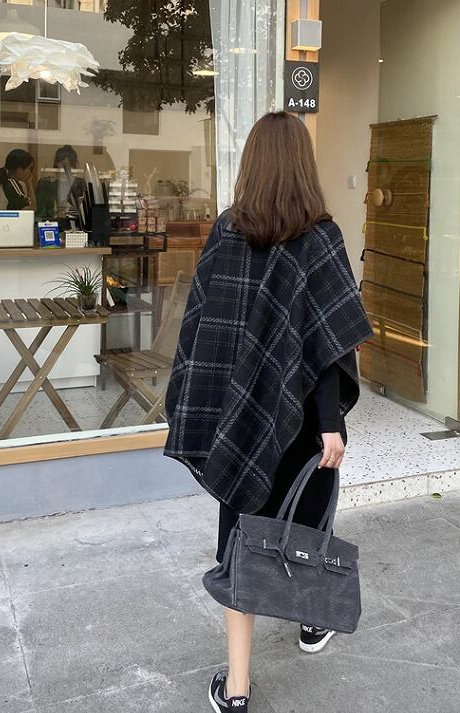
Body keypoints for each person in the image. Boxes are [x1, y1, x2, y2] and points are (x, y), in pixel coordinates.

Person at [162, 112, 373, 712]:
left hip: (242, 421)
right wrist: (331, 424)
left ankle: (236, 688)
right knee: (305, 522)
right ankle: (311, 620)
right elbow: (328, 347)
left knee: (241, 541)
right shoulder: (321, 237)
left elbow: (204, 332)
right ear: (303, 165)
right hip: (303, 420)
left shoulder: (228, 230)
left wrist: (211, 412)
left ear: (251, 163)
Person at [35, 144, 86, 221]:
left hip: (75, 224)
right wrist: (55, 213)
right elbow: (40, 211)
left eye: (69, 166)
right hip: (50, 223)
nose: (65, 169)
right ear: (56, 164)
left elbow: (84, 211)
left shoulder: (80, 184)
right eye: (63, 165)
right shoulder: (45, 184)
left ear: (74, 165)